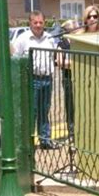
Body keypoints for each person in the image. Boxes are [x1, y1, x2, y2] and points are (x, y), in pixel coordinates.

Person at [13, 10, 58, 149]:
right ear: (30, 23)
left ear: (44, 23)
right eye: (35, 22)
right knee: (31, 111)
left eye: (40, 22)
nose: (38, 25)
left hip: (47, 79)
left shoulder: (50, 38)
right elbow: (15, 59)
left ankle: (45, 140)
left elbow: (56, 56)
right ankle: (29, 141)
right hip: (32, 80)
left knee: (44, 111)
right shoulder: (23, 39)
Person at [56, 19, 75, 139]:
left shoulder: (79, 42)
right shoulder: (62, 44)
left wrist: (69, 63)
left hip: (80, 77)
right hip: (68, 77)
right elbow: (59, 61)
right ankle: (72, 132)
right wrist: (75, 63)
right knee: (70, 104)